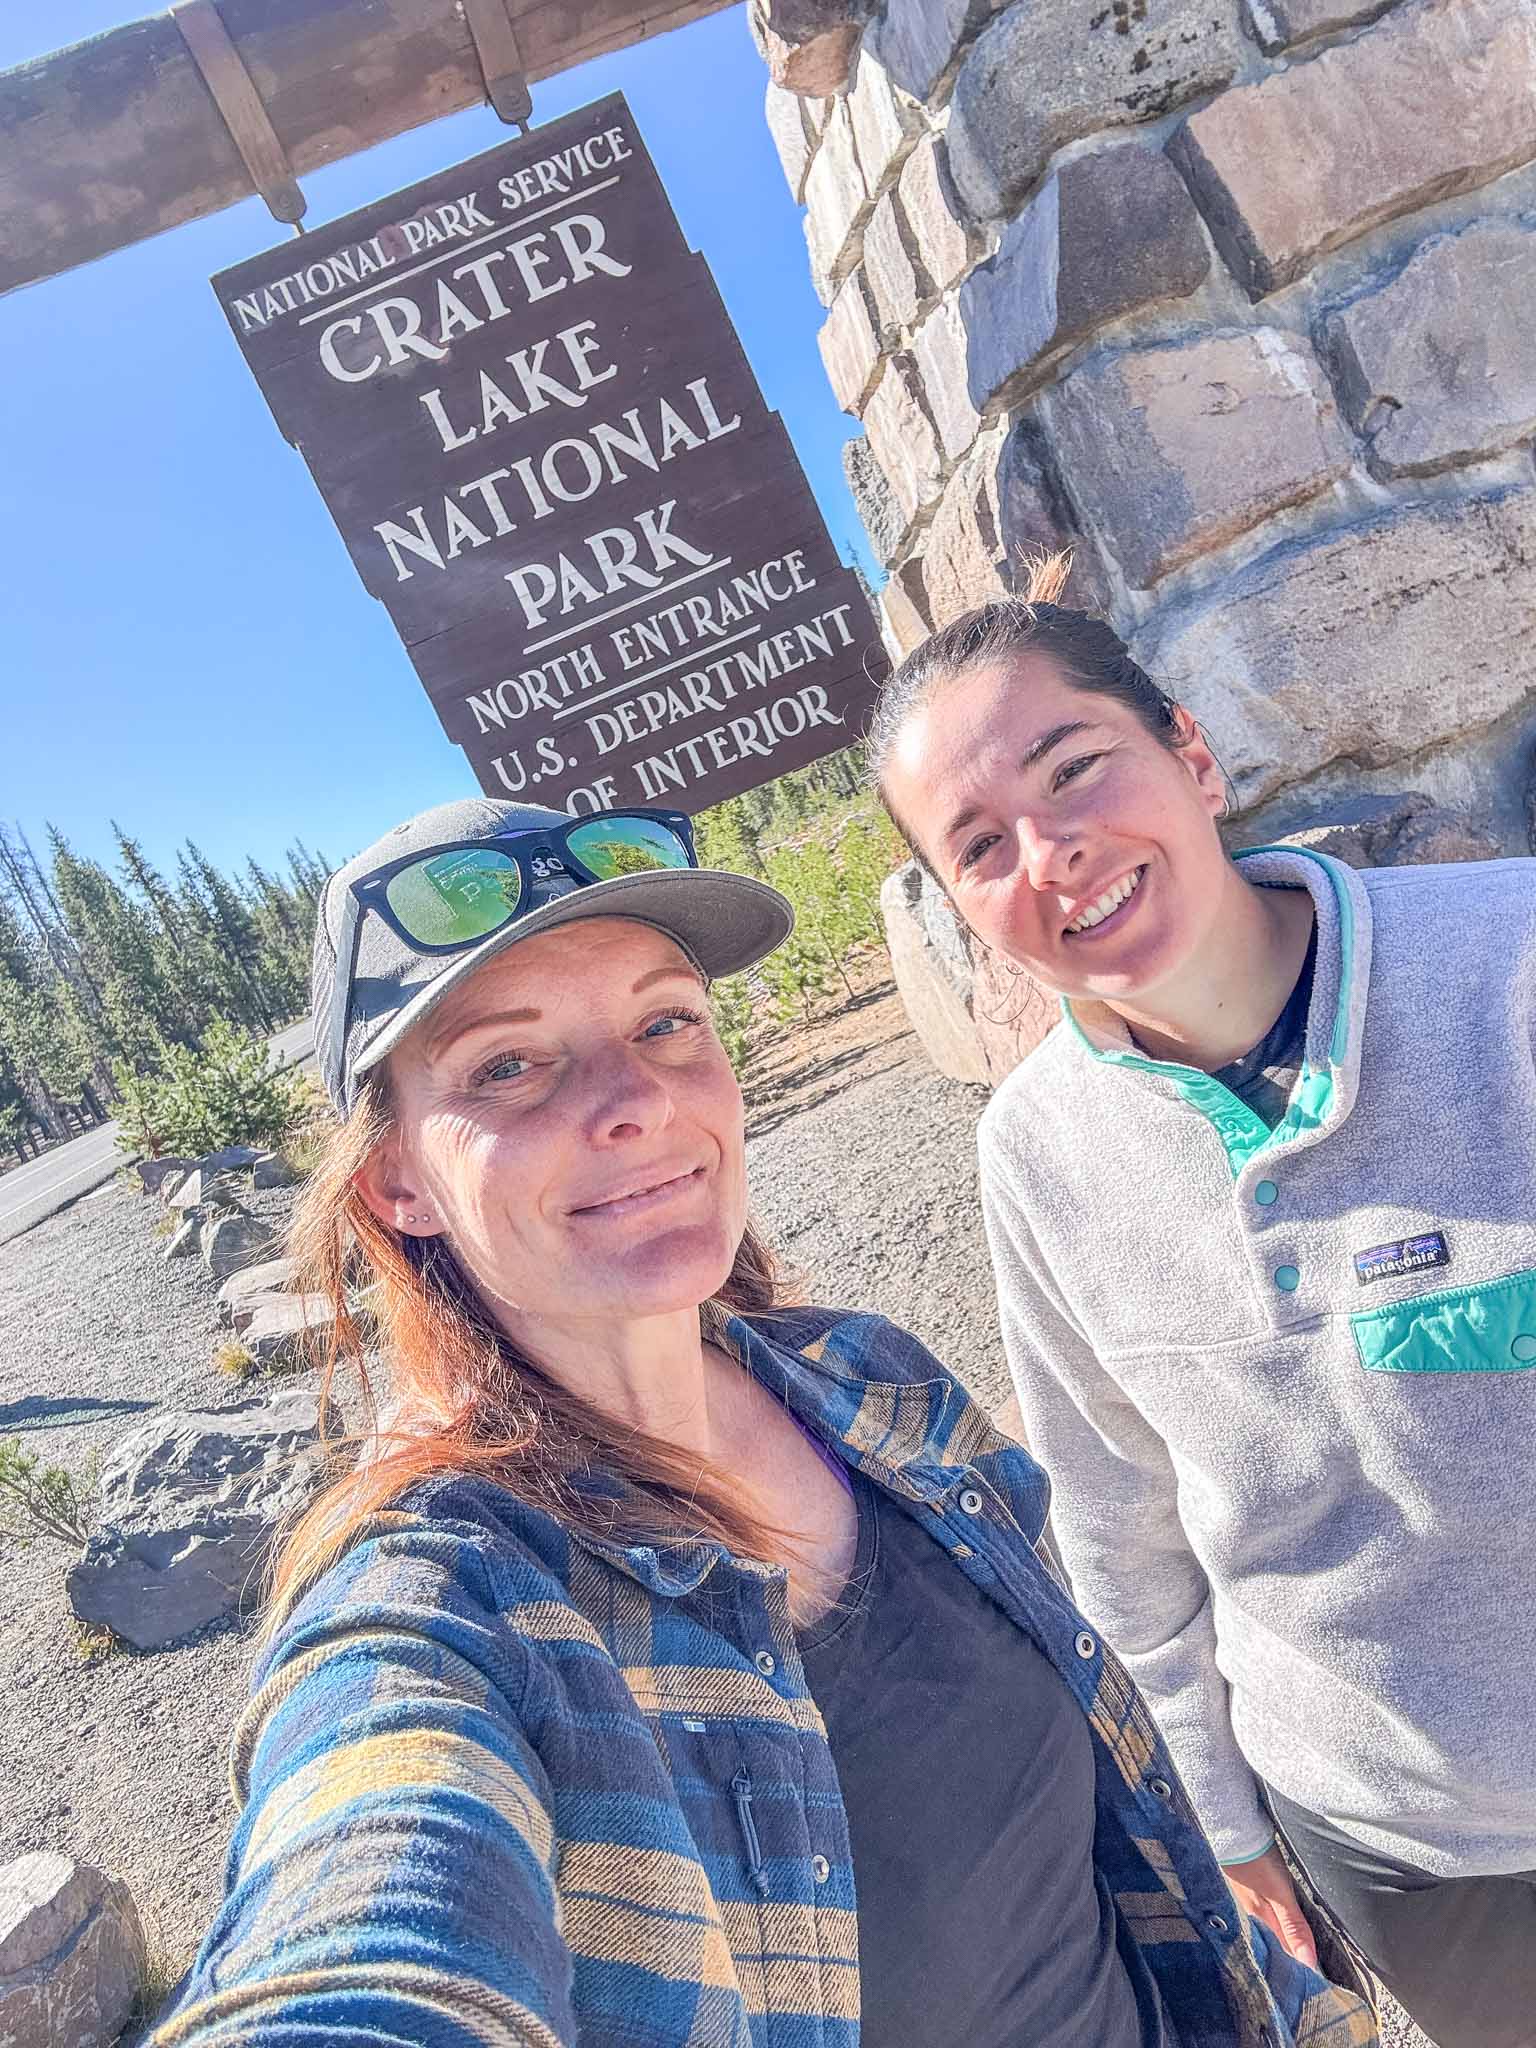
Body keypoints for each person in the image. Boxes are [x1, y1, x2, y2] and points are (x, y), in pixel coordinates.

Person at [153, 794, 1368, 2048]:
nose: (637, 1098)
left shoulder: (869, 1384)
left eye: (667, 1019)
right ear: (395, 1179)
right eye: (507, 1064)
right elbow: (371, 1914)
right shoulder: (448, 1604)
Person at [869, 554, 1536, 2047]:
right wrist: (1221, 1828)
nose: (1049, 855)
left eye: (1075, 767)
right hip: (1395, 1847)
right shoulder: (1037, 1155)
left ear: (1192, 752)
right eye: (979, 845)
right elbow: (1117, 1524)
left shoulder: (1513, 960)